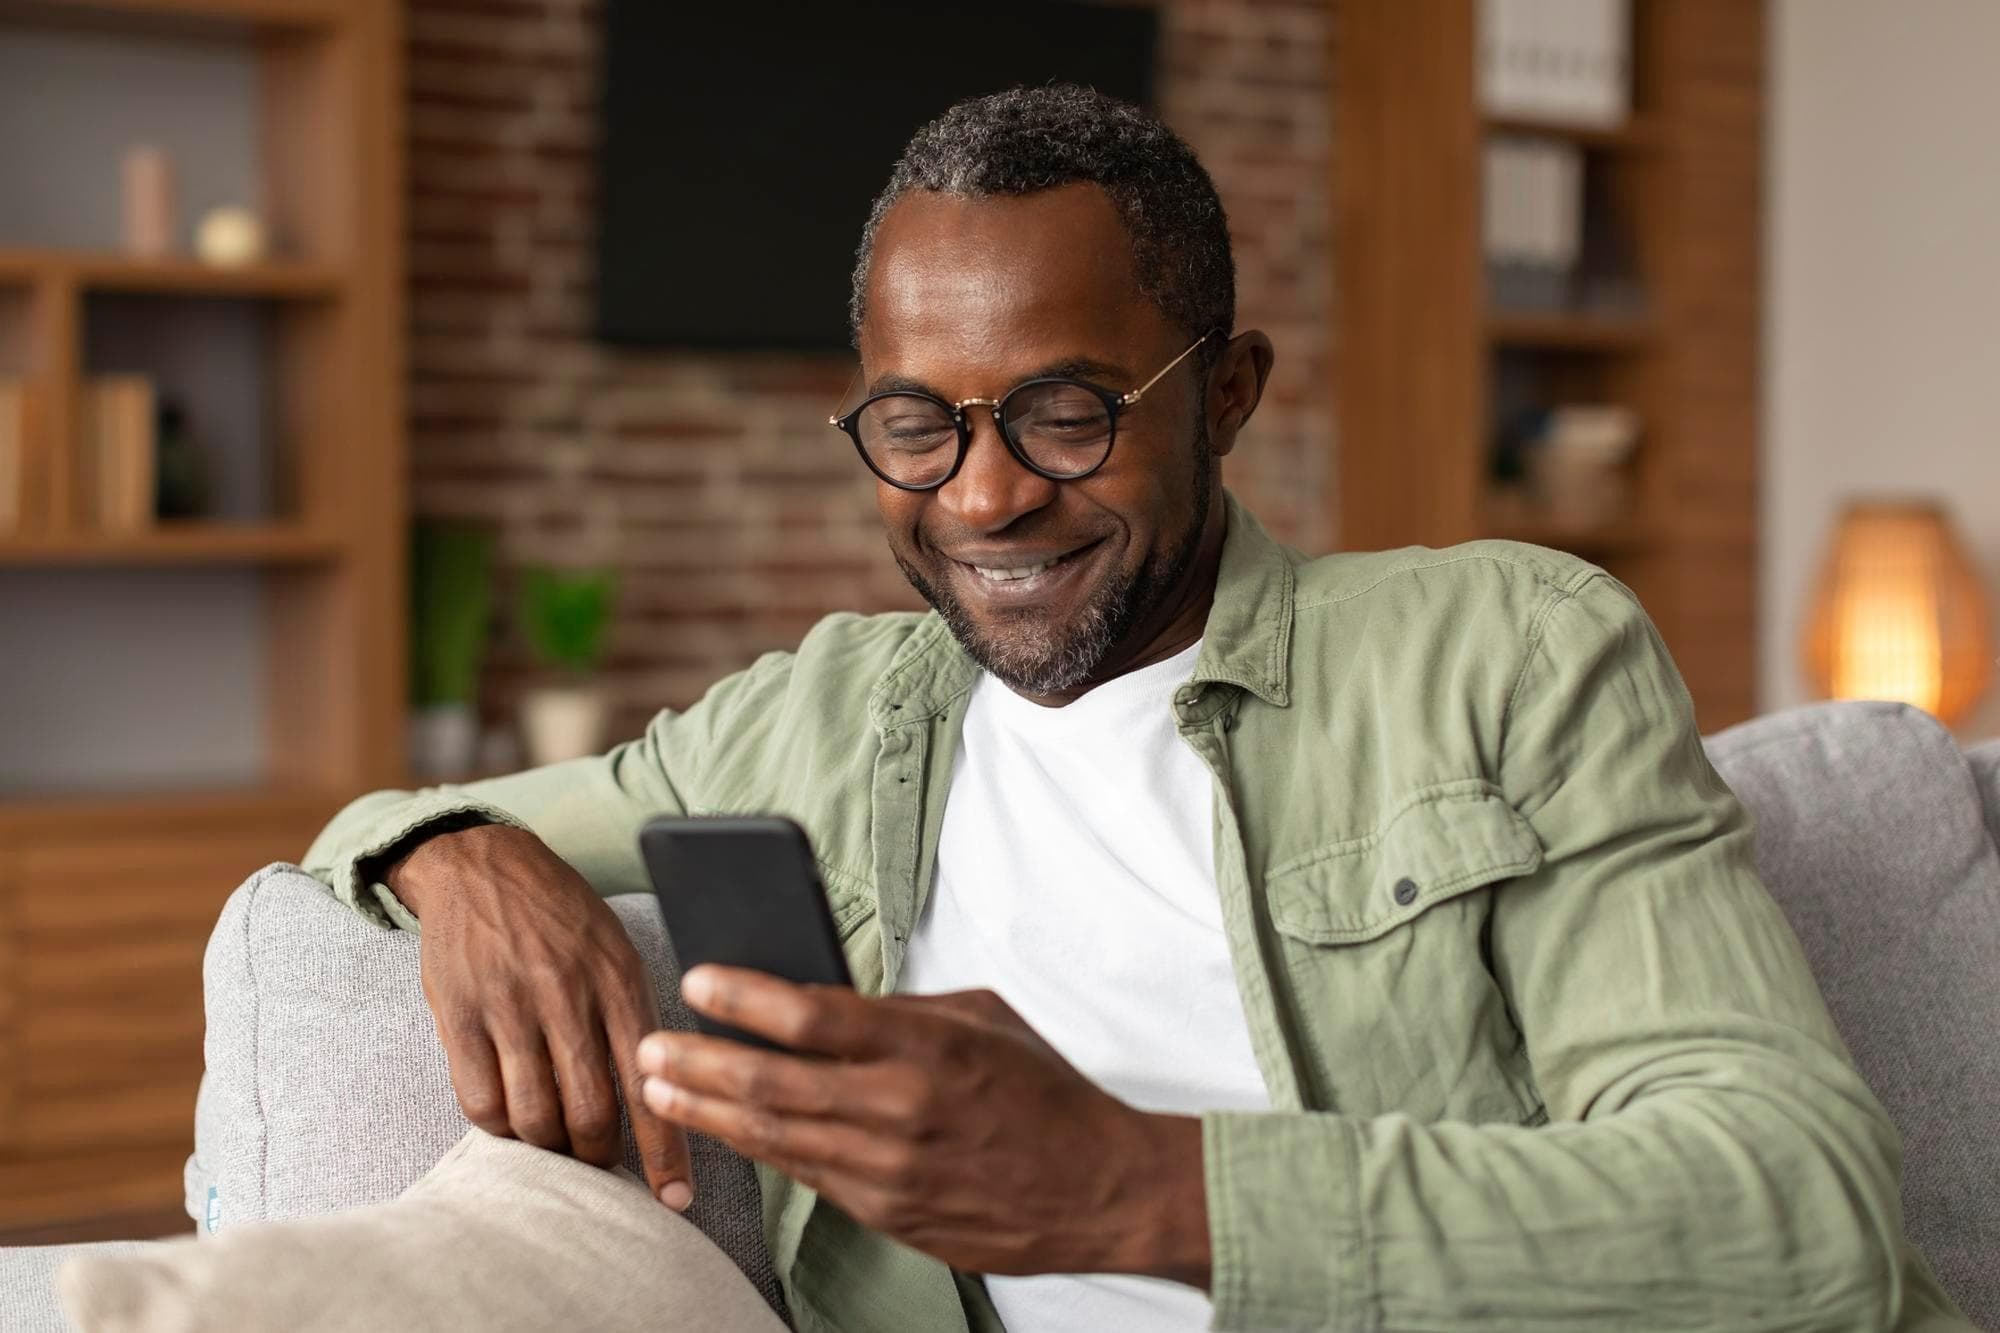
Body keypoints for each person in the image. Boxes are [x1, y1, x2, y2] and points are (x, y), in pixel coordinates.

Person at [305, 86, 1971, 1332]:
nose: (983, 498)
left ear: (1226, 394)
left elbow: (1798, 1209)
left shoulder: (1509, 653)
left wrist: (1135, 1184)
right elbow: (380, 827)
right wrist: (459, 853)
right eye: (916, 424)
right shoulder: (811, 718)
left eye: (1065, 413)